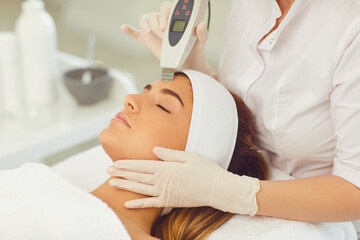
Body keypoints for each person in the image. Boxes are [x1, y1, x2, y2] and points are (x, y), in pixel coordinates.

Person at [108, 0, 360, 226]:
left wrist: (228, 192)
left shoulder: (351, 24)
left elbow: (355, 190)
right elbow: (251, 105)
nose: (129, 99)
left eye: (164, 106)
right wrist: (198, 72)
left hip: (324, 216)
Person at [0, 71, 267, 240]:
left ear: (196, 158)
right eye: (144, 90)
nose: (130, 98)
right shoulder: (38, 180)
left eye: (163, 106)